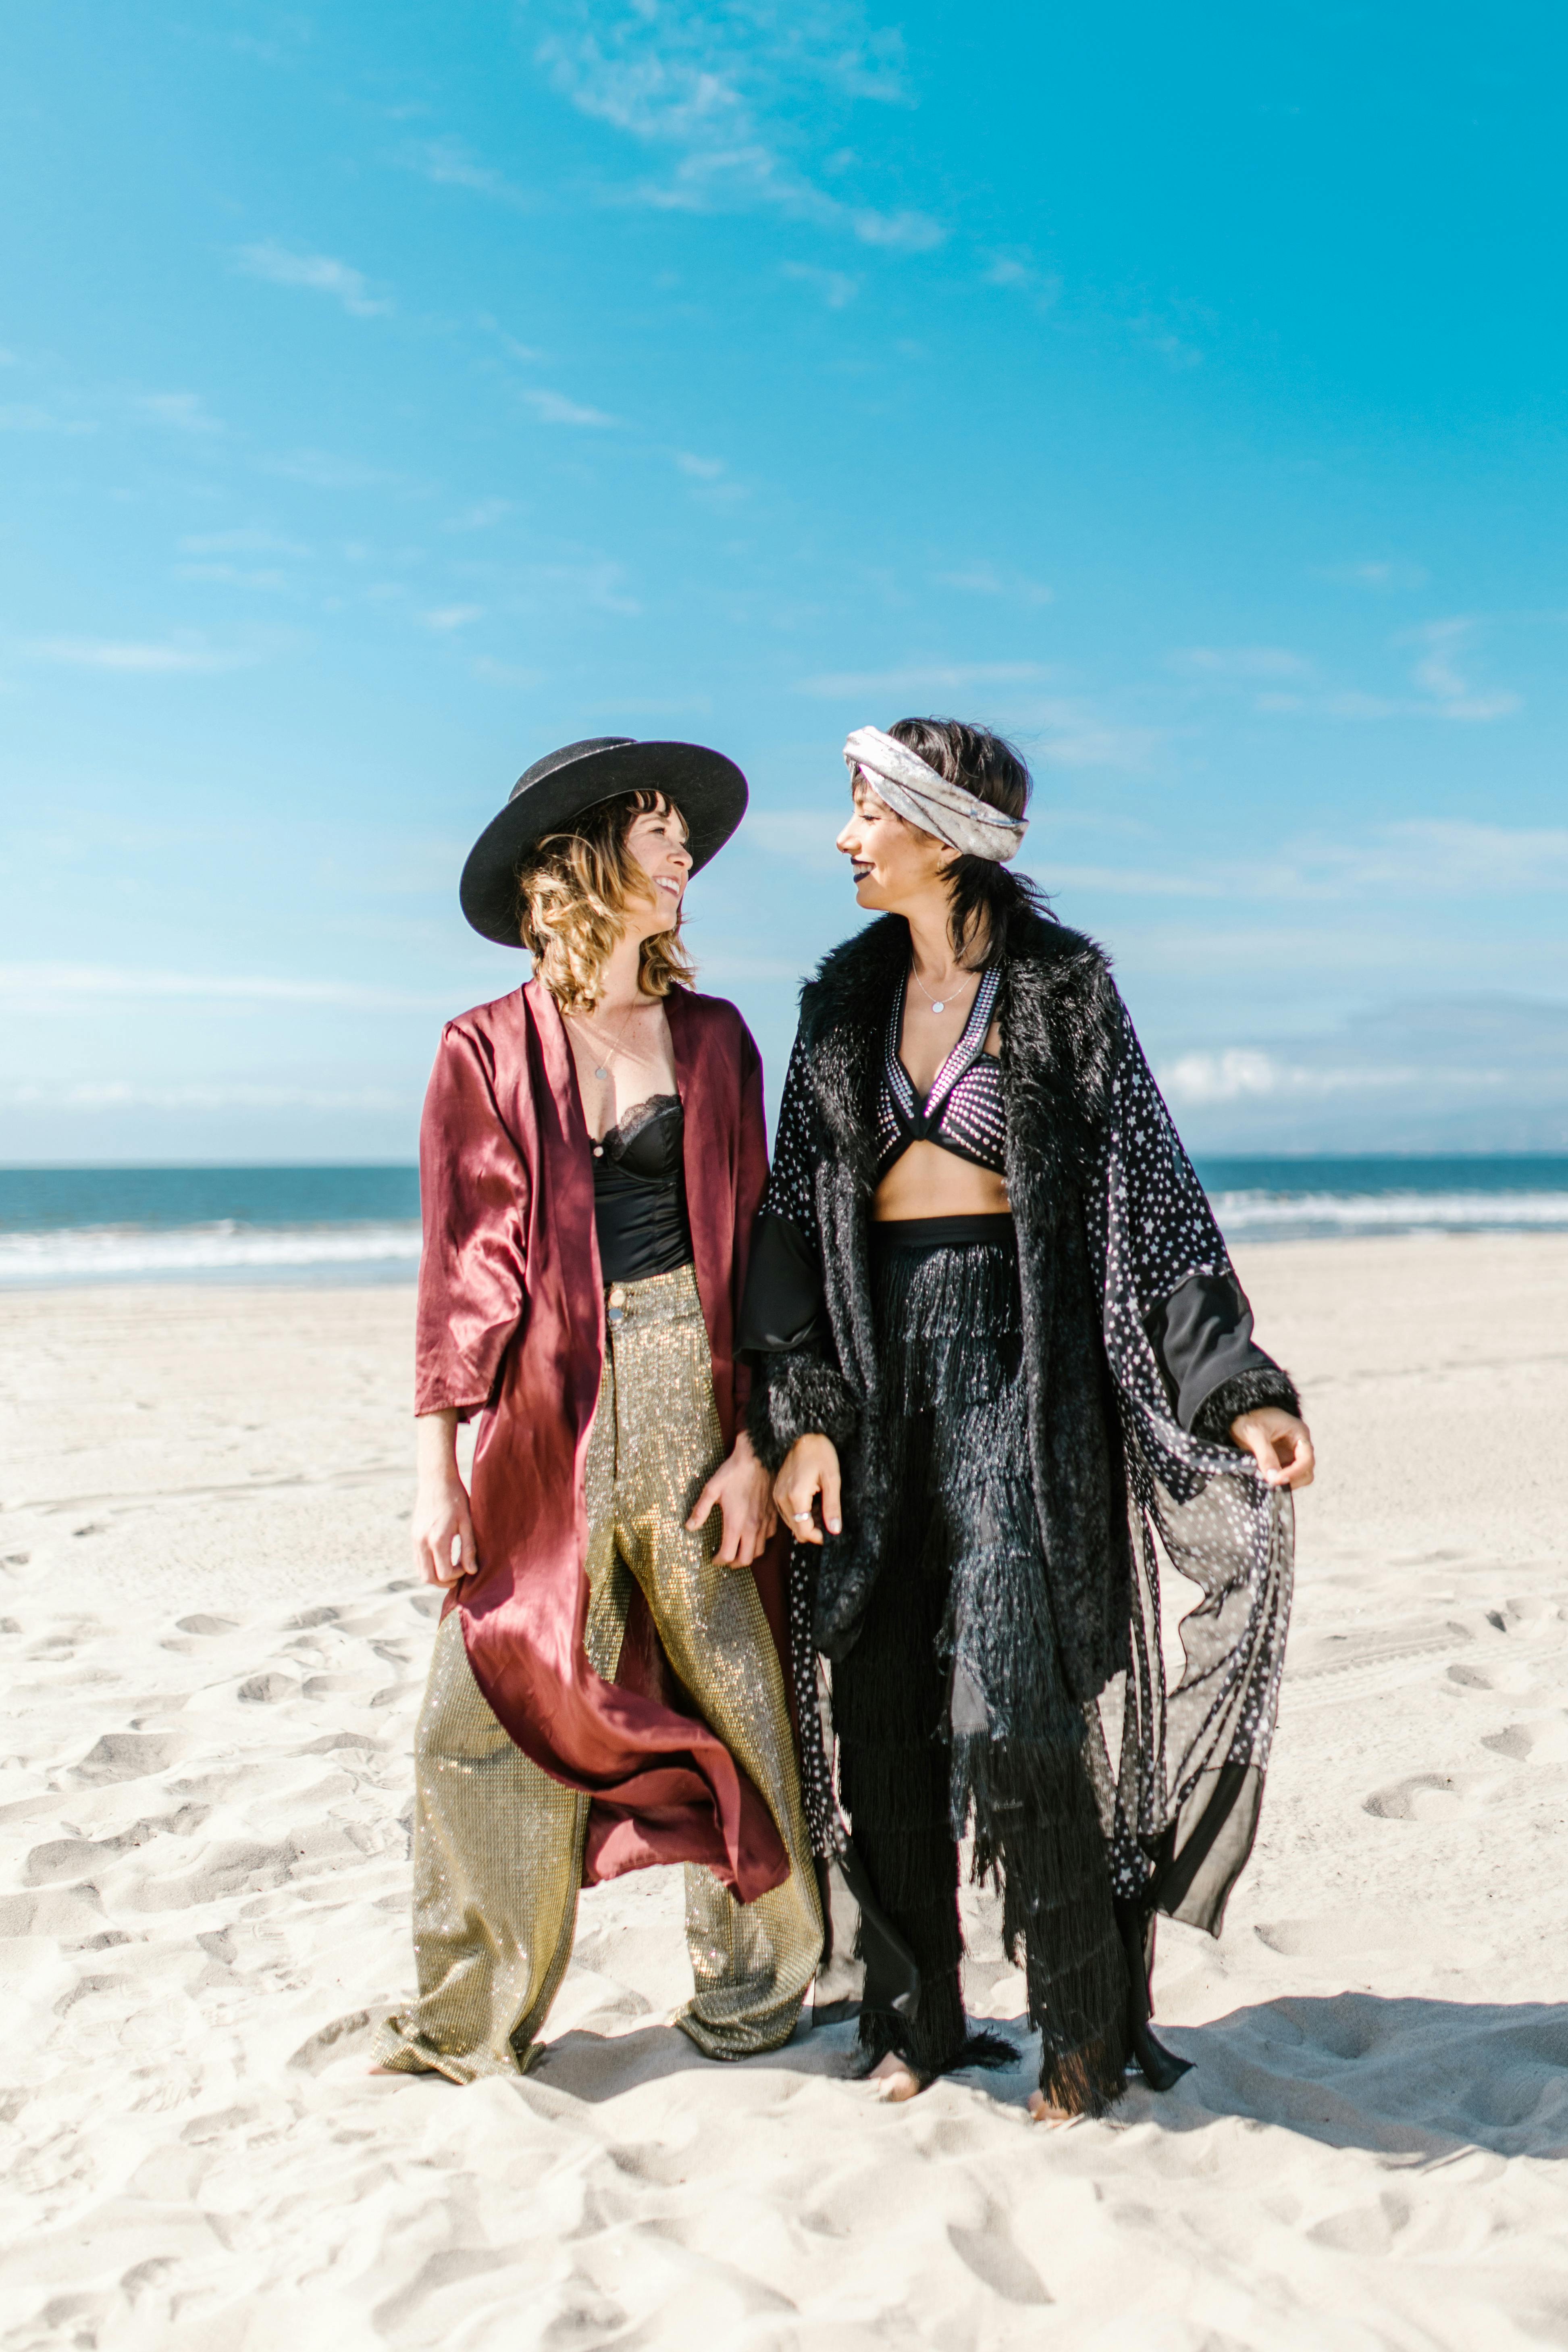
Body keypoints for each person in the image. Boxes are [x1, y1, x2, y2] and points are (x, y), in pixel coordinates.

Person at [740, 719, 1314, 2122]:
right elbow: (784, 1231)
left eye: (865, 807)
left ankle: (1076, 2035)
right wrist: (803, 1417)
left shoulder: (1063, 993)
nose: (844, 834)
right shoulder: (836, 1001)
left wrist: (1237, 1387)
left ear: (941, 828)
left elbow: (1154, 1201)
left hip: (1023, 1371)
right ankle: (913, 2018)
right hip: (876, 1378)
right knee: (874, 1700)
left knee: (1013, 1709)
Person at [376, 736, 822, 2082]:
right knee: (481, 1702)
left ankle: (759, 1994)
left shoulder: (717, 1038)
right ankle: (472, 2021)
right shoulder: (482, 1046)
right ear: (580, 858)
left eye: (685, 836)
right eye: (659, 833)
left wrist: (754, 1442)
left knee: (737, 1690)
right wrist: (435, 1470)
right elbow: (456, 1269)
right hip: (538, 1415)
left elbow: (761, 1249)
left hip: (699, 1394)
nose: (687, 855)